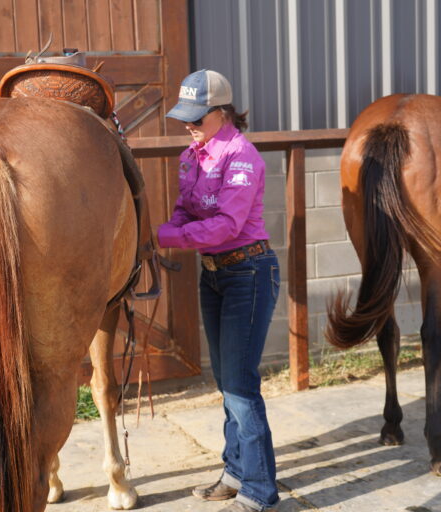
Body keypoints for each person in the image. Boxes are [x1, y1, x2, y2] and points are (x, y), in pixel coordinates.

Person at [157, 69, 280, 512]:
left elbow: (228, 225)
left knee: (241, 386)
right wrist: (163, 229)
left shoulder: (241, 156)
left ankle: (260, 491)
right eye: (185, 117)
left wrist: (163, 238)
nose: (189, 125)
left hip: (248, 272)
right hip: (214, 275)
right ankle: (235, 472)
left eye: (197, 117)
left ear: (222, 112)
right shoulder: (192, 156)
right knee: (228, 382)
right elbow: (183, 211)